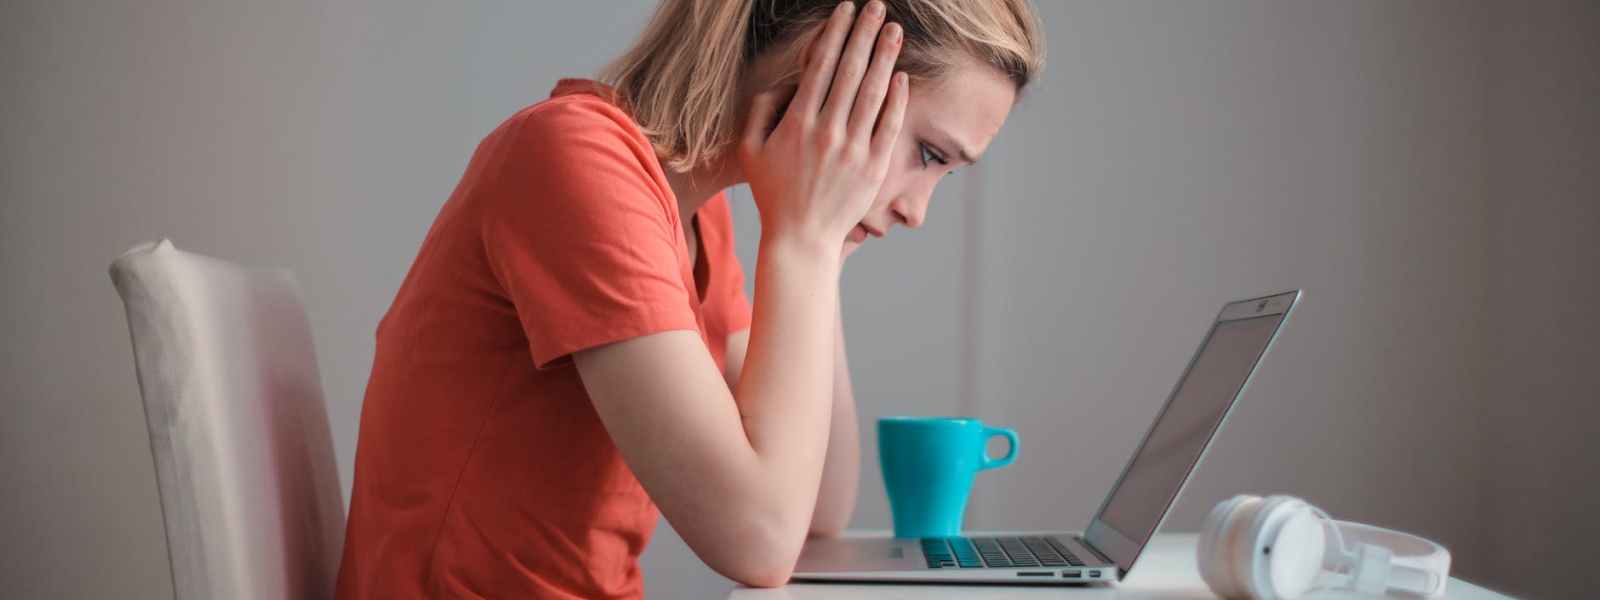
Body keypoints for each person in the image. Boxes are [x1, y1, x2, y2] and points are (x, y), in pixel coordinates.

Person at [334, 1, 1044, 597]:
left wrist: (820, 253)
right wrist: (802, 244)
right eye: (930, 155)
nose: (920, 210)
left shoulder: (698, 216)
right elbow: (757, 540)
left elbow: (817, 511)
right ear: (828, 71)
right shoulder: (574, 160)